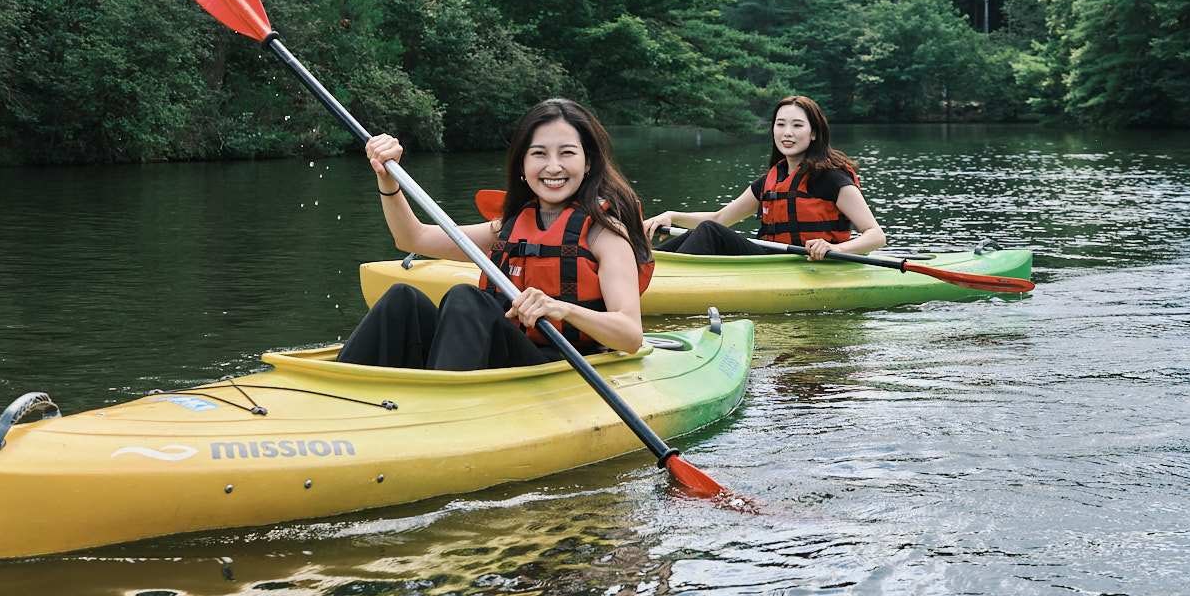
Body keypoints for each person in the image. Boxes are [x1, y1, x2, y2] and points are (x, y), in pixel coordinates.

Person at [340, 98, 649, 371]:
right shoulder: (506, 228)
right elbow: (412, 239)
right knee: (402, 299)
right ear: (522, 164)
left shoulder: (605, 235)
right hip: (495, 356)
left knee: (466, 298)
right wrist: (387, 178)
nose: (554, 167)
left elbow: (630, 335)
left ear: (588, 162)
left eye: (567, 153)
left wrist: (563, 309)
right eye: (539, 154)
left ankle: (442, 400)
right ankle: (334, 391)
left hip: (558, 365)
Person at [644, 95, 888, 260]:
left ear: (813, 133)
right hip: (769, 261)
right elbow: (720, 218)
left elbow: (876, 235)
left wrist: (835, 248)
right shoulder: (770, 181)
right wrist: (672, 216)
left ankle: (660, 278)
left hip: (809, 265)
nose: (787, 133)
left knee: (710, 231)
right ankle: (644, 265)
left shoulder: (832, 179)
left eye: (797, 126)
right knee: (700, 231)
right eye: (780, 125)